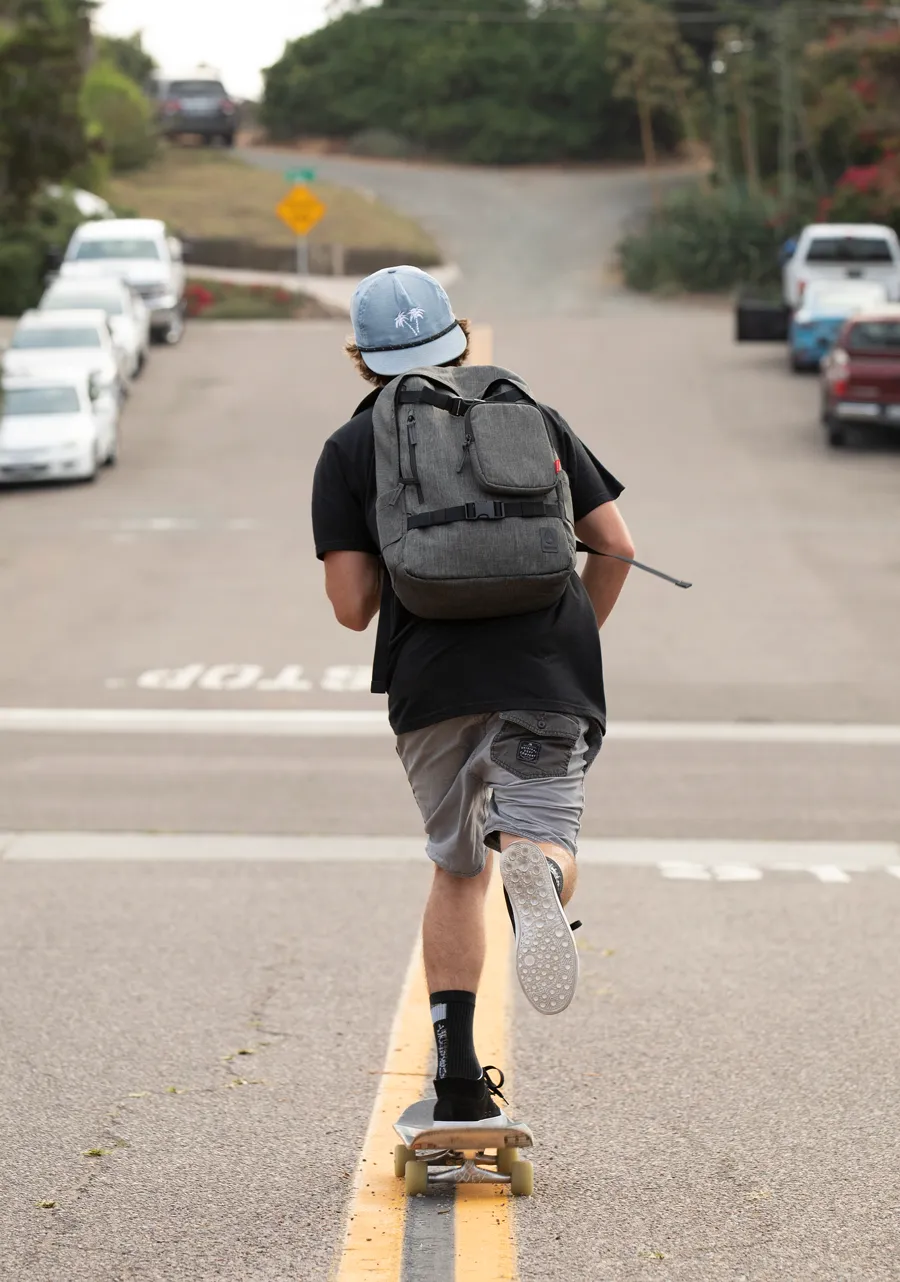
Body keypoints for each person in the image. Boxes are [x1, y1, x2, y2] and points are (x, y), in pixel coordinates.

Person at [312, 266, 634, 1123]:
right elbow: (617, 547)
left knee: (458, 868)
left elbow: (351, 610)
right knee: (542, 835)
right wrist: (572, 639)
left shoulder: (351, 447)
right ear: (456, 337)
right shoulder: (532, 415)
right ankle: (539, 872)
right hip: (547, 671)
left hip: (433, 685)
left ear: (363, 356)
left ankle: (456, 1085)